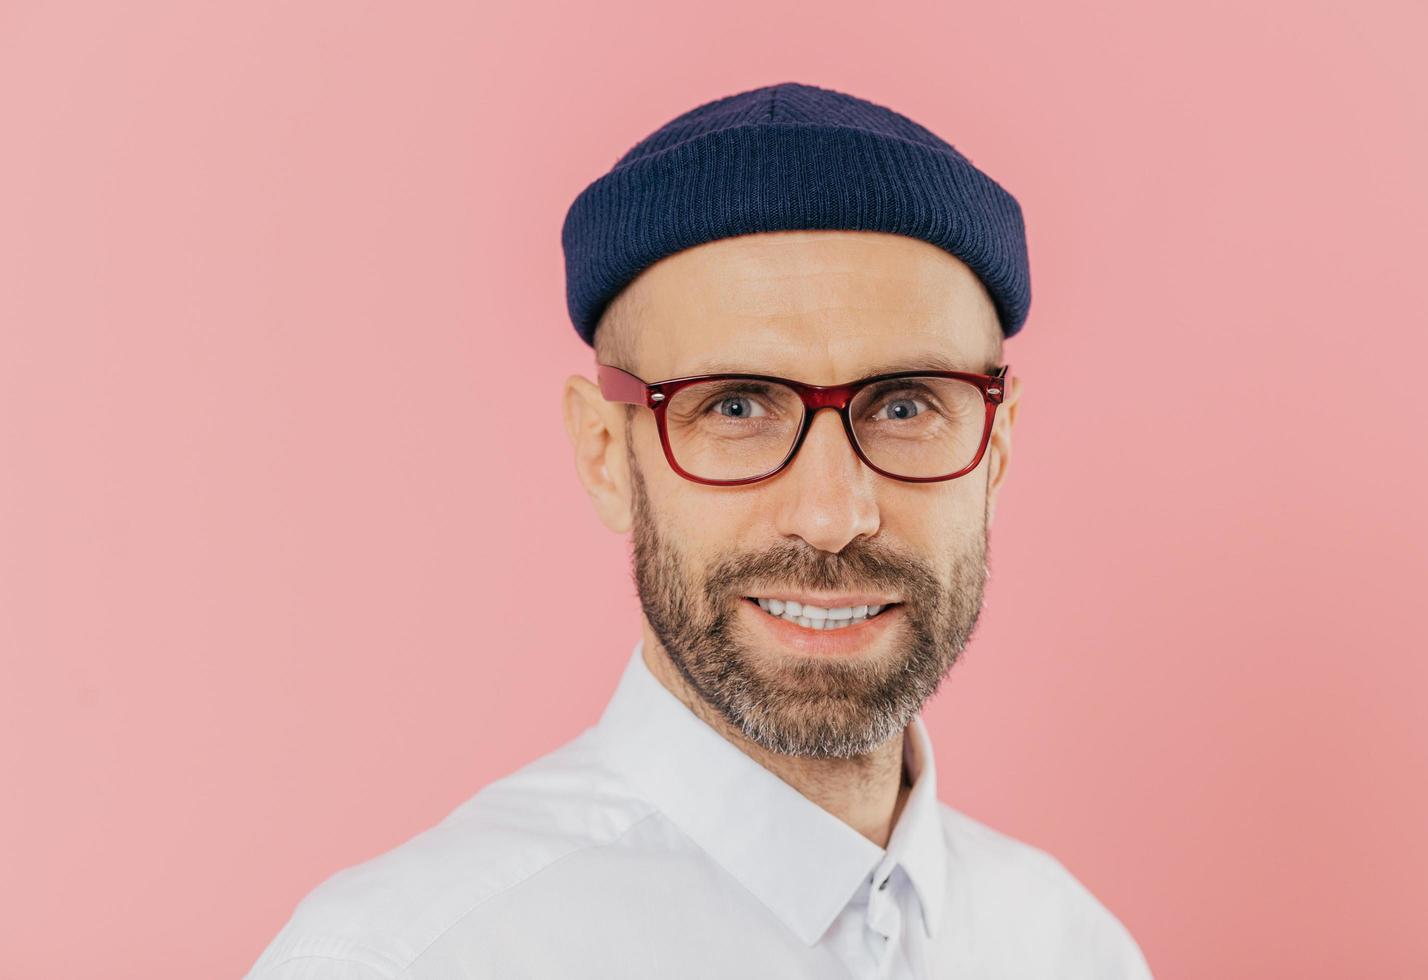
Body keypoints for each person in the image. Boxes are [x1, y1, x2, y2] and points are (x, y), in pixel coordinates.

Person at [246, 80, 1153, 979]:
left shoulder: (1073, 947)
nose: (833, 516)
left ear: (996, 450)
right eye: (737, 405)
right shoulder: (402, 960)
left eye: (906, 404)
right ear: (606, 454)